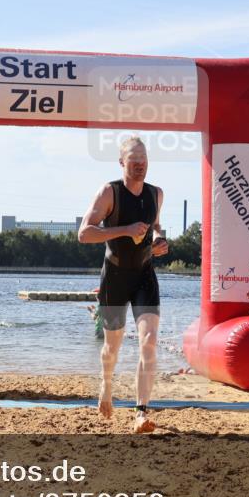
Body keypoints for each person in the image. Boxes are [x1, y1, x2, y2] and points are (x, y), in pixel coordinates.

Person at [79, 136, 169, 433]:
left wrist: (157, 241)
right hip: (115, 277)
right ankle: (106, 384)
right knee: (111, 348)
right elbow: (84, 234)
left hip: (144, 274)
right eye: (134, 161)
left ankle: (141, 412)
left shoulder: (156, 194)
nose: (140, 165)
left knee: (149, 341)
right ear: (122, 163)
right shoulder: (109, 193)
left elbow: (154, 226)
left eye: (144, 160)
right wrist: (124, 230)